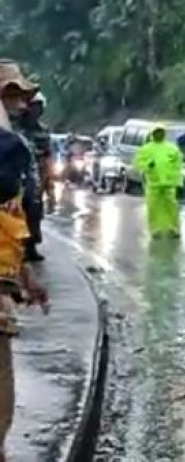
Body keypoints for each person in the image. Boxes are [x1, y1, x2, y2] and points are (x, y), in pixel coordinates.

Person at [0, 60, 49, 460]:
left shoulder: (13, 145)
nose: (19, 103)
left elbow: (11, 221)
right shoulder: (8, 149)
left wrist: (27, 276)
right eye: (12, 94)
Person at [13, 92, 50, 260]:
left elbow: (47, 156)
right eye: (33, 106)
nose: (36, 111)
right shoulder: (14, 126)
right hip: (16, 173)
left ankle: (31, 246)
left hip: (34, 174)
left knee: (35, 211)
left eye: (39, 107)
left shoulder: (43, 131)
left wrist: (46, 181)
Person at [133, 126, 184, 238]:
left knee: (172, 207)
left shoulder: (172, 148)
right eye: (156, 132)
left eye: (161, 132)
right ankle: (155, 230)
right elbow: (138, 163)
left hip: (169, 184)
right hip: (153, 184)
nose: (159, 134)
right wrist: (148, 165)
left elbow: (178, 166)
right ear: (152, 134)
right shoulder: (146, 149)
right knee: (153, 207)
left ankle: (174, 229)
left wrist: (179, 181)